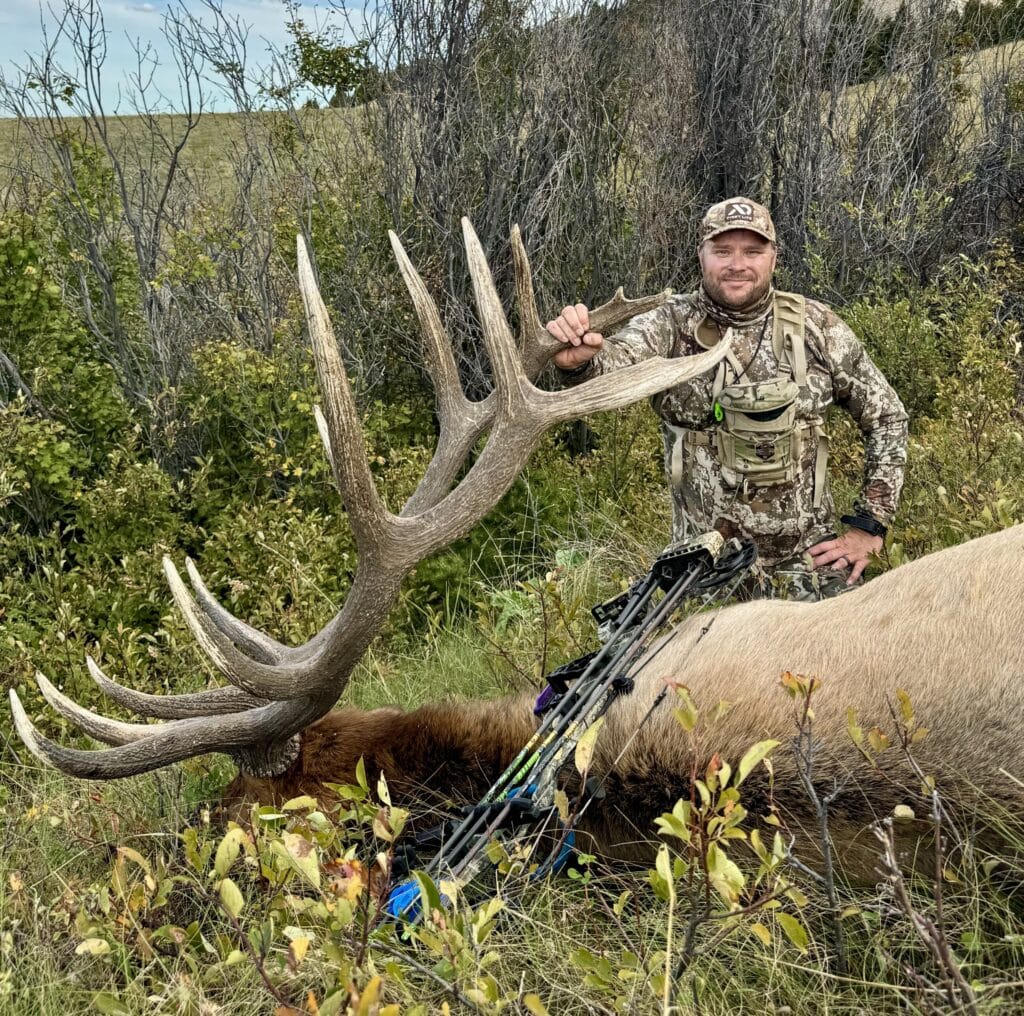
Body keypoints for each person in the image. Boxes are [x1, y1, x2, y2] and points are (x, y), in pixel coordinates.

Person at [546, 197, 908, 600]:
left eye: (753, 251)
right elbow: (616, 363)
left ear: (774, 257)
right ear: (701, 256)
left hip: (812, 562)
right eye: (723, 251)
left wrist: (869, 526)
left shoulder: (817, 327)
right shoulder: (670, 324)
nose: (738, 264)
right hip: (703, 568)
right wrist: (579, 363)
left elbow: (888, 417)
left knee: (852, 654)